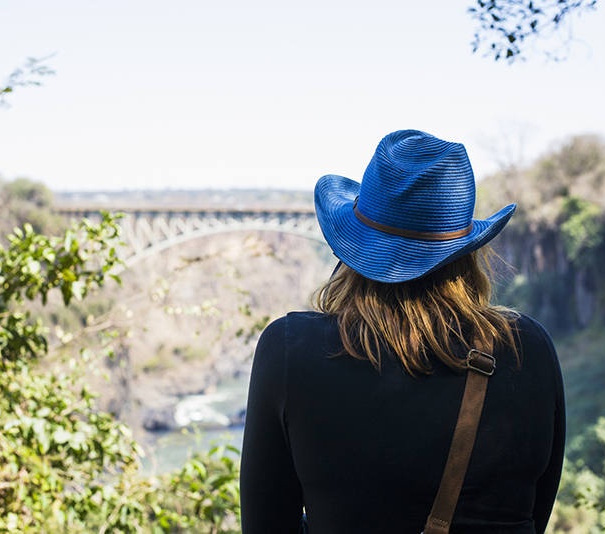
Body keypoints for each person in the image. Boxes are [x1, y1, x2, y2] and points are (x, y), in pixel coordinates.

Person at [239, 130, 565, 533]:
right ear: (465, 253)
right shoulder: (526, 348)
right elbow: (536, 513)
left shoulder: (291, 349)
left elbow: (265, 524)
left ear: (353, 247)